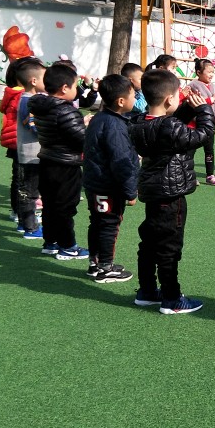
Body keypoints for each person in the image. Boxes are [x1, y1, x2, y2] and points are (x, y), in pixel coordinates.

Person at [129, 69, 215, 315]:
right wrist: (204, 110)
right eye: (178, 96)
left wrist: (187, 106)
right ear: (169, 99)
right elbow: (202, 135)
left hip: (153, 191)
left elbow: (171, 125)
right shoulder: (168, 127)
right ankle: (172, 298)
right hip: (171, 194)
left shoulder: (138, 122)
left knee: (149, 242)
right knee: (169, 246)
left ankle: (147, 290)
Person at [81, 75, 139, 284]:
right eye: (133, 95)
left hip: (94, 183)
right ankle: (106, 267)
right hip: (108, 185)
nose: (135, 98)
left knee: (98, 222)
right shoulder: (114, 126)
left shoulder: (100, 118)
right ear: (121, 101)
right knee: (109, 224)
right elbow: (120, 161)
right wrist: (131, 191)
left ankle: (95, 263)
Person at [28, 63, 89, 261]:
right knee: (65, 208)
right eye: (75, 86)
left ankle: (51, 242)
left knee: (51, 205)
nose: (76, 90)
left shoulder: (42, 107)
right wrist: (88, 128)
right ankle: (68, 246)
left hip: (47, 161)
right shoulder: (66, 111)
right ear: (64, 88)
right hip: (66, 165)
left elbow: (63, 131)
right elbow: (82, 139)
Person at [14, 59, 47, 240]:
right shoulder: (29, 101)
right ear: (34, 81)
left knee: (28, 191)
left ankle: (24, 223)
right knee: (30, 192)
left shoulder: (29, 99)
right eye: (44, 78)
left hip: (31, 153)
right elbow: (34, 127)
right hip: (31, 154)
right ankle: (30, 228)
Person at [185, 59, 215, 186]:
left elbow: (214, 107)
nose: (211, 75)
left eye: (213, 72)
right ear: (199, 72)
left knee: (209, 150)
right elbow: (198, 103)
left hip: (209, 124)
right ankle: (189, 175)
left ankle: (210, 175)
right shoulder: (193, 86)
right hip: (195, 124)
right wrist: (213, 98)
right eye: (209, 72)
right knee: (191, 151)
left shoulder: (213, 86)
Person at [0, 60, 25, 224]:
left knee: (18, 177)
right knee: (22, 178)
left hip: (14, 140)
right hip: (21, 140)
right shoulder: (23, 95)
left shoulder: (13, 93)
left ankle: (17, 210)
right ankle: (20, 211)